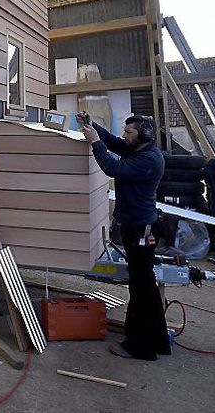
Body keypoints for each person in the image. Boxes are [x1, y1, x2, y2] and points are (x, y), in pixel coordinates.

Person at [78, 113, 170, 361]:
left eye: (129, 133)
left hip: (141, 229)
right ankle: (158, 341)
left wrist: (95, 141)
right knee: (145, 286)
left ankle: (140, 347)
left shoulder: (148, 159)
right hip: (136, 226)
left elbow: (112, 167)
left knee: (141, 289)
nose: (124, 136)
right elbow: (112, 142)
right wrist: (92, 125)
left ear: (144, 135)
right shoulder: (136, 148)